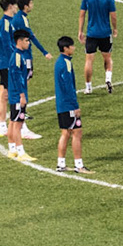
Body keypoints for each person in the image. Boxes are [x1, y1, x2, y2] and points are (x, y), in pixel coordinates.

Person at [10, 0, 50, 139]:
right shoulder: (21, 19)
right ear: (26, 5)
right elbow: (31, 37)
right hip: (24, 58)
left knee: (24, 85)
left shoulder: (19, 18)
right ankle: (22, 127)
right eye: (31, 3)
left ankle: (20, 122)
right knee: (22, 88)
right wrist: (44, 52)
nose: (33, 6)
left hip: (23, 57)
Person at [77, 0, 117, 96]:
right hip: (105, 33)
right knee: (107, 58)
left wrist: (80, 31)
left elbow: (82, 15)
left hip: (91, 33)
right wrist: (115, 28)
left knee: (89, 60)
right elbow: (113, 16)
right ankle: (108, 79)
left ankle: (88, 87)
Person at [53, 36, 89, 174]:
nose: (74, 48)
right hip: (68, 105)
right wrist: (75, 105)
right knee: (77, 133)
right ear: (66, 48)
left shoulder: (59, 62)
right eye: (72, 46)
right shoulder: (66, 64)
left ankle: (61, 163)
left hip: (61, 104)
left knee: (65, 133)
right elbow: (68, 87)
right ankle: (78, 165)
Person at [5, 28, 34, 162]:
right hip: (17, 95)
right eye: (27, 40)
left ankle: (12, 149)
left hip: (14, 94)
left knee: (12, 122)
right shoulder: (18, 57)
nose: (29, 43)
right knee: (17, 124)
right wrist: (22, 95)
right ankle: (21, 152)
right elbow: (16, 77)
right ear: (20, 41)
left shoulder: (18, 55)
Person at [0, 0, 18, 136]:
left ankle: (3, 125)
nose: (16, 8)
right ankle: (6, 125)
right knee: (8, 94)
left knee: (4, 93)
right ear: (10, 6)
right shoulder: (5, 24)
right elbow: (8, 46)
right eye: (15, 5)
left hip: (6, 63)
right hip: (7, 64)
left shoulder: (10, 22)